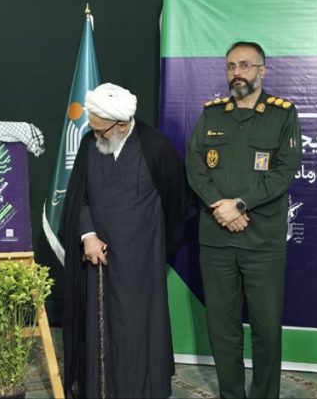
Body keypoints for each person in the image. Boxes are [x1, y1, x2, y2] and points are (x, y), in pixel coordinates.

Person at [60, 83, 193, 398]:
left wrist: (156, 247)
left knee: (138, 328)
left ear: (121, 125)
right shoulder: (89, 144)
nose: (95, 135)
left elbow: (178, 204)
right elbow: (79, 197)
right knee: (101, 328)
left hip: (142, 262)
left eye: (100, 130)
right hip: (98, 258)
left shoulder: (156, 147)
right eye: (92, 128)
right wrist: (88, 235)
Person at [185, 41, 302, 398]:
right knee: (222, 329)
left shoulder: (282, 114)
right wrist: (219, 206)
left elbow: (284, 172)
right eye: (231, 66)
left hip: (262, 242)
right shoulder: (212, 114)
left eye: (245, 65)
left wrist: (239, 205)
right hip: (216, 240)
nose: (237, 72)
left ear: (261, 71)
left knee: (266, 331)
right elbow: (195, 165)